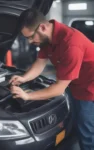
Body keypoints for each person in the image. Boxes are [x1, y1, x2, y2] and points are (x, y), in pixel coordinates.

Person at [9, 8, 94, 150]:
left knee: (87, 129)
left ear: (42, 27)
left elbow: (58, 89)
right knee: (74, 122)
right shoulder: (47, 39)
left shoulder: (71, 44)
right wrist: (23, 78)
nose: (29, 42)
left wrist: (27, 96)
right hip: (74, 84)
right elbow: (40, 63)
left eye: (30, 37)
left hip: (89, 88)